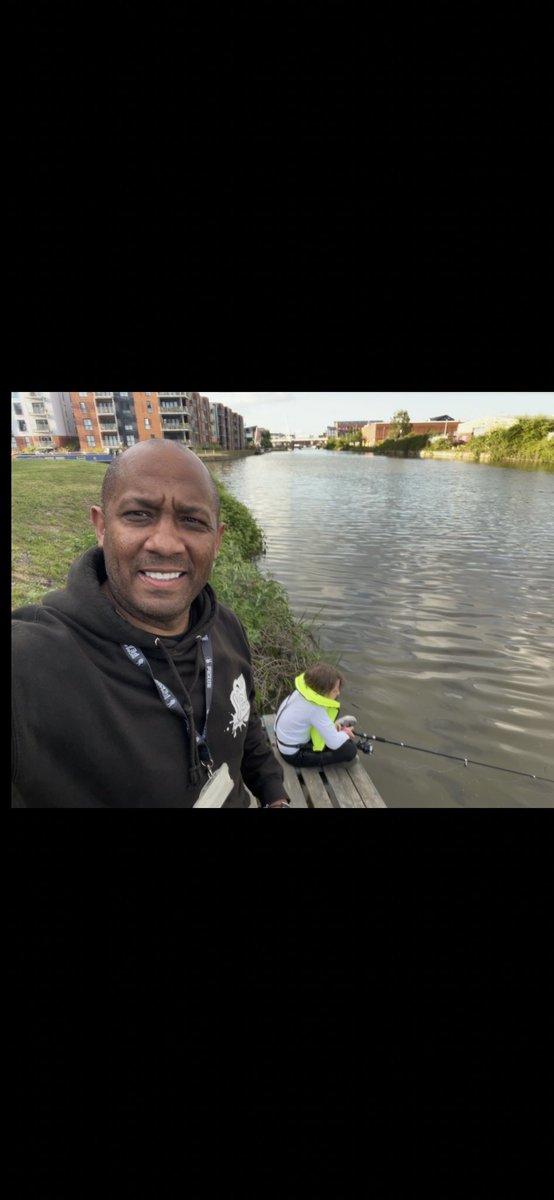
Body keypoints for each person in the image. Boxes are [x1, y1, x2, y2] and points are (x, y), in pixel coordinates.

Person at [11, 439, 291, 809]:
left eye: (192, 520)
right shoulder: (30, 663)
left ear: (217, 541)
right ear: (101, 527)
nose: (165, 544)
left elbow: (245, 719)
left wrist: (274, 794)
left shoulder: (225, 625)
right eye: (139, 514)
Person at [274, 664, 358, 768]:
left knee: (331, 730)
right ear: (323, 691)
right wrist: (345, 733)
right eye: (334, 690)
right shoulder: (316, 710)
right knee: (350, 749)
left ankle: (331, 727)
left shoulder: (301, 692)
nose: (338, 693)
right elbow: (334, 744)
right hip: (293, 754)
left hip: (283, 741)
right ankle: (332, 731)